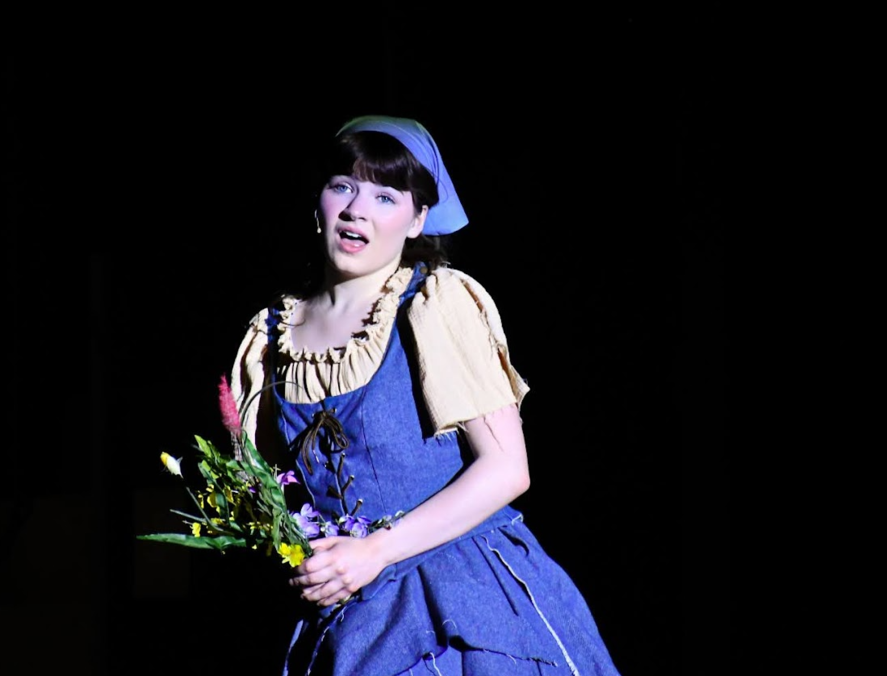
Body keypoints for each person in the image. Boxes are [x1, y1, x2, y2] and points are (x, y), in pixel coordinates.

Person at [230, 114, 621, 675]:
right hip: (349, 618)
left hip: (459, 596)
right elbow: (268, 490)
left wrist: (376, 551)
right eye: (343, 185)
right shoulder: (267, 339)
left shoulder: (434, 304)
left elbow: (508, 469)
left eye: (386, 196)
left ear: (418, 220)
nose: (357, 208)